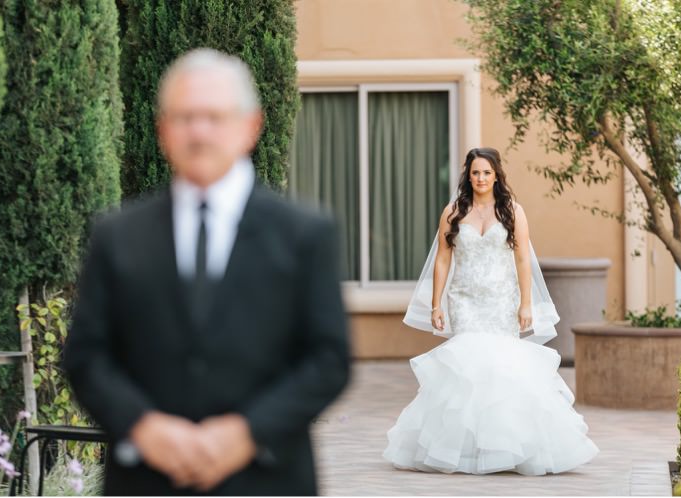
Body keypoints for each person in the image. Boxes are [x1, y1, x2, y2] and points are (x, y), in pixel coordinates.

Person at [64, 48, 351, 495]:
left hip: (267, 480)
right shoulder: (117, 235)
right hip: (147, 481)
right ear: (163, 131)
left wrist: (247, 433)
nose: (199, 131)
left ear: (250, 127)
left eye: (215, 116)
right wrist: (144, 428)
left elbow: (329, 360)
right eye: (185, 117)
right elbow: (86, 358)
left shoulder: (304, 235)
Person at [385, 147, 599, 475]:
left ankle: (508, 447)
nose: (481, 178)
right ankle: (468, 450)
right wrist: (435, 303)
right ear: (467, 176)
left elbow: (523, 259)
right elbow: (443, 258)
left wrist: (526, 303)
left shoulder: (513, 211)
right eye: (475, 172)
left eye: (486, 172)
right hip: (465, 299)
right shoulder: (453, 211)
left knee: (501, 368)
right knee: (470, 367)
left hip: (502, 299)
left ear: (496, 175)